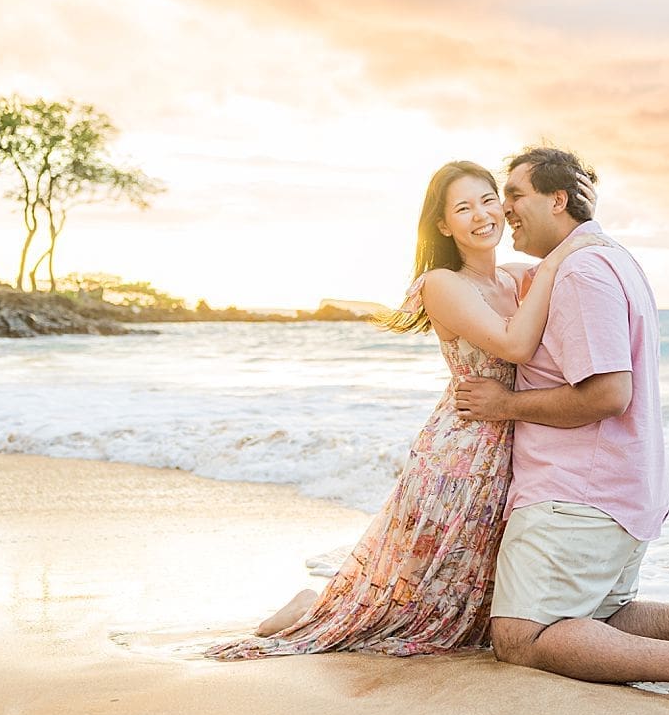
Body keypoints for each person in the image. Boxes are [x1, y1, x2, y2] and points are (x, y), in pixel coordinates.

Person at [206, 160, 602, 659]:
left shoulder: (517, 278)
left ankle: (322, 599)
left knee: (466, 581)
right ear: (443, 225)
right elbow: (514, 345)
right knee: (419, 584)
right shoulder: (443, 283)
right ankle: (314, 607)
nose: (482, 215)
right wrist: (563, 256)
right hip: (461, 448)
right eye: (463, 207)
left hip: (509, 440)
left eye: (487, 200)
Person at [453, 147, 669, 715]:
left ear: (558, 199)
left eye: (515, 194)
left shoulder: (583, 271)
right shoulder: (608, 259)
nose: (505, 208)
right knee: (596, 618)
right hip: (617, 488)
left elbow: (609, 394)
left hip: (576, 494)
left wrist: (506, 403)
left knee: (520, 636)